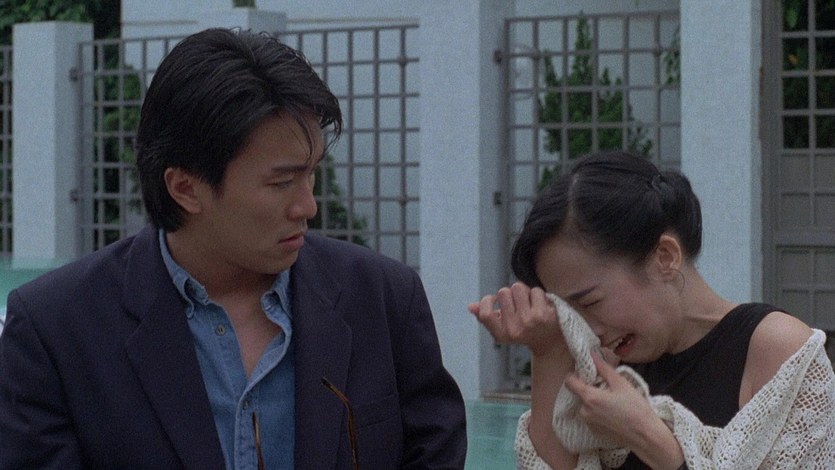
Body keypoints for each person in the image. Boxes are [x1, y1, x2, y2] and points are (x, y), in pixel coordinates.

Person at [0, 27, 467, 469]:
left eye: (311, 173)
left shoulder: (383, 299)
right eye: (282, 182)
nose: (308, 205)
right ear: (186, 188)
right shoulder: (55, 330)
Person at [469, 151, 835, 469]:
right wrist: (547, 351)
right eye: (569, 310)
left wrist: (650, 439)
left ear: (665, 257)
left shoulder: (778, 352)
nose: (590, 328)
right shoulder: (607, 364)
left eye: (590, 302)